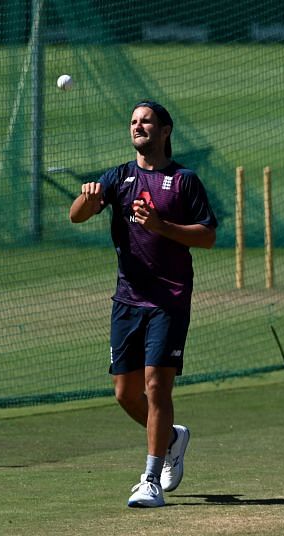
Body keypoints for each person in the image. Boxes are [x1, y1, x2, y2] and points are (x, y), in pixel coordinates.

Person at [69, 100, 218, 508]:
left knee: (157, 384)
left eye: (146, 121)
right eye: (134, 122)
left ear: (165, 130)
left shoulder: (184, 180)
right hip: (127, 299)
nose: (138, 126)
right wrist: (88, 195)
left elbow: (207, 236)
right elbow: (77, 216)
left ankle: (150, 478)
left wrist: (160, 226)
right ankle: (172, 438)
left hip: (169, 299)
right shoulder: (119, 177)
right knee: (125, 394)